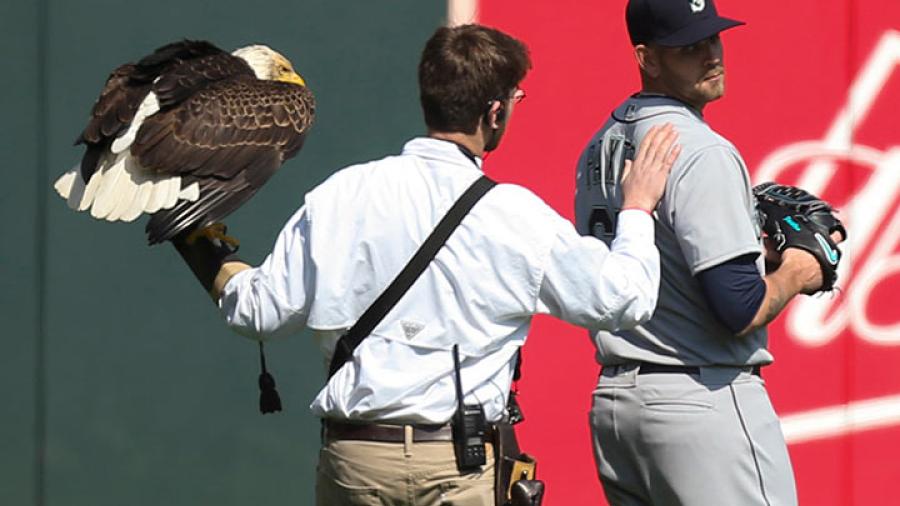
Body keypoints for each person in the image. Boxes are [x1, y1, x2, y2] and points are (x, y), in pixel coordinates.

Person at [179, 24, 679, 505]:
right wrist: (636, 209)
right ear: (495, 112)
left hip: (357, 460)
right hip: (458, 466)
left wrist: (195, 240)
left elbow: (258, 313)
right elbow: (623, 297)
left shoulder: (341, 194)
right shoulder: (514, 214)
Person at [574, 1, 845, 505]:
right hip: (700, 402)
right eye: (689, 47)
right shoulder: (701, 150)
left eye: (713, 38)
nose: (711, 55)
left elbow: (660, 266)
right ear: (647, 57)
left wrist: (752, 253)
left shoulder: (600, 144)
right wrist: (795, 271)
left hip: (617, 409)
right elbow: (738, 308)